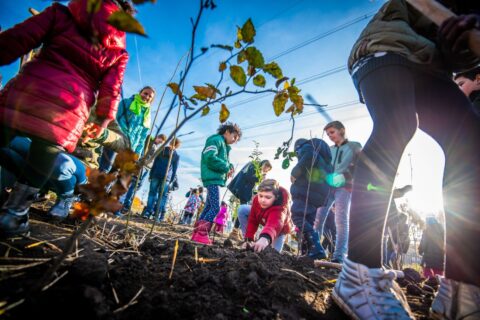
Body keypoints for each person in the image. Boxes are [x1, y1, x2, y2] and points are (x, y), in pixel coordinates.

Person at [333, 1, 480, 319]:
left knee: (471, 142)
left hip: (433, 62)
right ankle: (359, 274)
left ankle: (461, 290)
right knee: (398, 124)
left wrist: (464, 45)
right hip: (388, 43)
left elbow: (460, 51)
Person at [0, 0, 132, 237]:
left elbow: (16, 40)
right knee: (19, 150)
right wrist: (102, 116)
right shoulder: (115, 54)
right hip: (61, 121)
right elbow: (111, 92)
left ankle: (61, 199)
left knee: (56, 162)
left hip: (33, 105)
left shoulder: (60, 14)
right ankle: (14, 213)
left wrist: (102, 130)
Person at [0, 111, 130, 219]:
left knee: (61, 164)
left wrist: (102, 133)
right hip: (40, 147)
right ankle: (11, 191)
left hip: (78, 161)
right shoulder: (57, 90)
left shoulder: (101, 112)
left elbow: (124, 143)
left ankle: (66, 196)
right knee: (7, 144)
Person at [314, 120, 361, 263]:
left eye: (332, 132)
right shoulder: (329, 149)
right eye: (328, 134)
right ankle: (315, 250)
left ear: (342, 130)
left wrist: (345, 176)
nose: (330, 136)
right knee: (318, 218)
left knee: (340, 220)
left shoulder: (354, 146)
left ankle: (339, 256)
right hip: (328, 187)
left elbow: (360, 166)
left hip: (344, 186)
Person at [191, 122, 242, 245]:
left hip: (214, 179)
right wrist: (226, 167)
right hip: (212, 179)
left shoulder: (223, 146)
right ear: (227, 132)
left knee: (209, 206)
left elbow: (222, 160)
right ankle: (202, 234)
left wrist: (229, 166)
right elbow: (210, 157)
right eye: (234, 137)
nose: (235, 140)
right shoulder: (216, 140)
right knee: (215, 207)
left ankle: (197, 233)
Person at [290, 138, 333, 260]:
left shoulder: (306, 147)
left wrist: (295, 172)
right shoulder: (326, 161)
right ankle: (307, 252)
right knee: (308, 220)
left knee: (298, 216)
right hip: (317, 197)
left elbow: (309, 156)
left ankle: (316, 248)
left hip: (305, 192)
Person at [119, 133, 166, 215]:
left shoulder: (155, 146)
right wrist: (153, 137)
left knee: (137, 186)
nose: (160, 143)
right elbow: (148, 137)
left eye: (161, 142)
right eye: (160, 141)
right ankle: (126, 205)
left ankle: (126, 204)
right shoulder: (150, 142)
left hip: (147, 168)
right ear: (158, 137)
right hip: (143, 166)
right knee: (135, 185)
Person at [240, 179, 293, 253]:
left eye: (268, 197)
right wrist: (249, 239)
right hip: (265, 221)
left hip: (279, 229)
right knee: (242, 209)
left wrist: (265, 238)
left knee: (274, 254)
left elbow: (275, 223)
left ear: (276, 197)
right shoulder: (256, 200)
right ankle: (247, 240)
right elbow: (252, 220)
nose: (263, 200)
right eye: (260, 196)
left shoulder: (280, 207)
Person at [227, 159, 272, 241]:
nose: (265, 171)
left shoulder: (255, 166)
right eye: (266, 169)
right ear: (265, 165)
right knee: (243, 209)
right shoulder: (254, 165)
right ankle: (235, 232)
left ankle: (236, 231)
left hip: (243, 189)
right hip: (243, 189)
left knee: (243, 208)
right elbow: (248, 176)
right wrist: (260, 178)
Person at [142, 138, 180, 221]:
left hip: (156, 174)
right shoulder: (176, 155)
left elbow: (155, 163)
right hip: (166, 177)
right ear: (177, 146)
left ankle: (148, 212)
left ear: (170, 142)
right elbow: (174, 170)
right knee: (161, 196)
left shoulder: (162, 149)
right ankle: (156, 216)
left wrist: (151, 174)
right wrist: (171, 180)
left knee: (152, 193)